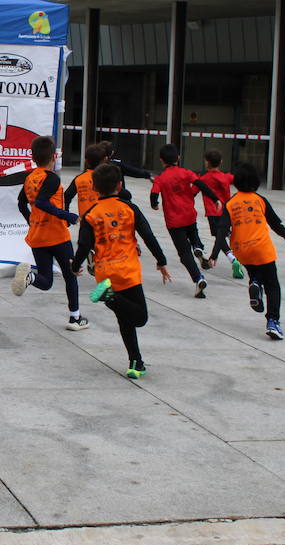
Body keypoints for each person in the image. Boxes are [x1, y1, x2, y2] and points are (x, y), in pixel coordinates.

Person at [73, 163, 172, 378]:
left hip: (104, 272)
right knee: (140, 318)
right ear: (119, 185)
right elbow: (148, 235)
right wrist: (161, 260)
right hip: (127, 271)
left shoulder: (91, 213)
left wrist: (75, 265)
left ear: (95, 189)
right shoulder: (129, 208)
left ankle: (136, 362)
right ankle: (109, 297)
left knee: (125, 319)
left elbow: (83, 245)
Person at [11, 135, 87, 331]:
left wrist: (31, 221)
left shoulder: (29, 178)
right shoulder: (52, 178)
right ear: (54, 156)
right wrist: (67, 216)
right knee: (71, 276)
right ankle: (75, 318)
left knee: (45, 281)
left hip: (38, 236)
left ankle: (30, 277)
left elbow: (21, 203)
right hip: (57, 235)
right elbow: (44, 202)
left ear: (33, 157)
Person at [227, 162, 285, 340]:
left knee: (255, 271)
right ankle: (273, 322)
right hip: (262, 248)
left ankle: (255, 282)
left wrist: (215, 252)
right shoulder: (260, 200)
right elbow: (274, 222)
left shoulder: (231, 202)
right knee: (272, 285)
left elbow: (222, 229)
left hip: (242, 251)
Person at [150, 143, 222, 298]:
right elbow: (201, 184)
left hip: (174, 221)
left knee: (184, 253)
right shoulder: (186, 173)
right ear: (178, 158)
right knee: (193, 233)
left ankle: (198, 278)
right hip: (189, 215)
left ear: (161, 160)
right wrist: (215, 198)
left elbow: (154, 195)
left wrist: (154, 204)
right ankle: (198, 247)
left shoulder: (160, 179)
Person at [198, 149, 240, 278]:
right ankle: (237, 255)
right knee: (226, 234)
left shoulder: (204, 178)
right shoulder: (227, 177)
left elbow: (192, 191)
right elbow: (240, 183)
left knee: (219, 237)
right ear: (221, 162)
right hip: (226, 212)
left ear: (207, 163)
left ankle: (232, 258)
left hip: (212, 213)